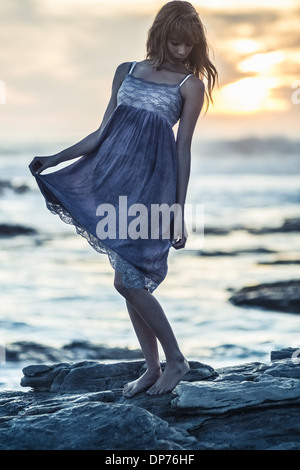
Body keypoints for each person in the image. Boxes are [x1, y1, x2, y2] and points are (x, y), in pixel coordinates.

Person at [29, 1, 218, 397]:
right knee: (125, 280)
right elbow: (101, 134)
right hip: (113, 184)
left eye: (188, 45)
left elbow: (182, 149)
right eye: (175, 42)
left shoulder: (191, 86)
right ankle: (152, 368)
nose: (181, 51)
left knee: (132, 283)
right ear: (160, 35)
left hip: (152, 189)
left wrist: (177, 211)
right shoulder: (127, 71)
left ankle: (176, 361)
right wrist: (56, 158)